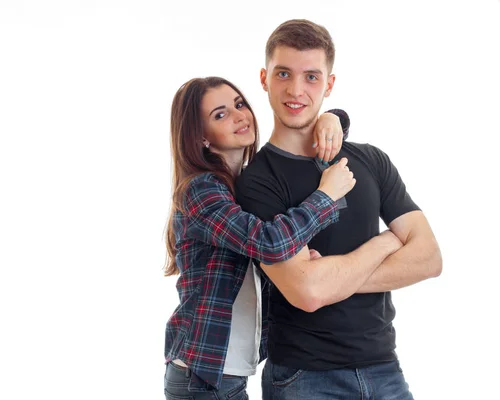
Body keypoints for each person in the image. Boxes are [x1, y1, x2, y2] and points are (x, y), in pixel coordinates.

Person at [235, 20, 443, 400]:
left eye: (311, 77)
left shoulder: (370, 160)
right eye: (284, 73)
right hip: (304, 378)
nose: (296, 90)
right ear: (264, 78)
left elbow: (429, 258)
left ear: (329, 85)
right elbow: (307, 292)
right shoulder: (255, 182)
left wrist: (330, 278)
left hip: (385, 370)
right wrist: (384, 244)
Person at [163, 76, 403, 400]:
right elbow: (270, 243)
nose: (239, 116)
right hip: (203, 376)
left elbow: (267, 256)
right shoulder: (202, 191)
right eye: (220, 114)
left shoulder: (241, 185)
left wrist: (333, 118)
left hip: (227, 372)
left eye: (238, 104)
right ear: (201, 137)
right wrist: (328, 196)